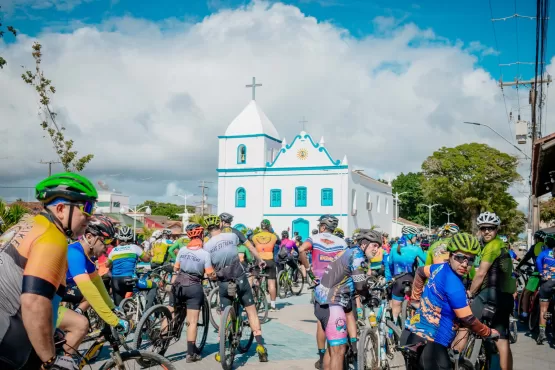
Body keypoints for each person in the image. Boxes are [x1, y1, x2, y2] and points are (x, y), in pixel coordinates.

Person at [0, 172, 98, 370]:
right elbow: (34, 302)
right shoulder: (52, 237)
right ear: (61, 209)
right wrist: (49, 360)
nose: (90, 216)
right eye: (86, 208)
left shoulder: (25, 224)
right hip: (10, 342)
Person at [404, 233, 499, 370]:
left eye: (471, 260)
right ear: (450, 256)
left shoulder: (438, 268)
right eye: (460, 258)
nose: (465, 264)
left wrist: (415, 299)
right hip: (434, 346)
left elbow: (419, 272)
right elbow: (468, 319)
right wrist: (488, 332)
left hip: (412, 334)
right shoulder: (454, 284)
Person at [202, 215, 268, 362]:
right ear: (220, 225)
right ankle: (260, 346)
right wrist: (260, 260)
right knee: (251, 311)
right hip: (240, 278)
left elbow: (209, 269)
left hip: (223, 282)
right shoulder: (232, 236)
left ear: (208, 229)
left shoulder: (206, 246)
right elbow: (250, 247)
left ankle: (222, 349)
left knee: (224, 313)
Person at [314, 229, 382, 370]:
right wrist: (369, 295)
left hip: (323, 302)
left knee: (333, 350)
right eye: (374, 245)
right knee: (339, 351)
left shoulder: (348, 251)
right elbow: (360, 285)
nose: (376, 249)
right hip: (333, 303)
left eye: (378, 246)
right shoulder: (357, 256)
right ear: (364, 243)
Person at [61, 216, 129, 355]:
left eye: (111, 242)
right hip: (41, 301)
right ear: (90, 237)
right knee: (81, 325)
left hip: (56, 294)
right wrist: (113, 320)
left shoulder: (89, 257)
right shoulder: (74, 253)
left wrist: (112, 308)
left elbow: (97, 283)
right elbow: (89, 290)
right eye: (105, 241)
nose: (108, 247)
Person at [298, 215, 350, 370]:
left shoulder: (314, 239)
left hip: (319, 285)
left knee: (321, 322)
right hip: (337, 286)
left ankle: (322, 355)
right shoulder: (342, 243)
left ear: (322, 226)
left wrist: (308, 269)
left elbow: (301, 250)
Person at [466, 212, 514, 370]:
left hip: (489, 295)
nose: (487, 231)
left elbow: (480, 274)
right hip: (504, 298)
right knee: (502, 340)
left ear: (497, 229)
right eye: (483, 228)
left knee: (463, 324)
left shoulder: (492, 247)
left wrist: (470, 293)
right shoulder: (500, 245)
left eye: (491, 228)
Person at [173, 223, 215, 362]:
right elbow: (210, 274)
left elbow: (176, 269)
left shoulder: (182, 250)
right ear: (201, 236)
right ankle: (191, 354)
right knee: (192, 321)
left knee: (171, 312)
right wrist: (216, 275)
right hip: (194, 287)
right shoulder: (205, 254)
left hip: (178, 284)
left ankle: (160, 340)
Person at [386, 225, 427, 325]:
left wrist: (389, 278)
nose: (416, 238)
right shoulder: (416, 249)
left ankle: (392, 334)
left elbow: (389, 265)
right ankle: (413, 326)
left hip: (397, 280)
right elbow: (427, 262)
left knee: (395, 308)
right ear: (410, 236)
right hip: (411, 279)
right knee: (417, 305)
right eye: (415, 236)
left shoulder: (394, 247)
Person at [108, 226, 154, 308]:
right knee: (153, 285)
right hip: (130, 280)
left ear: (118, 239)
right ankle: (147, 313)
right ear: (132, 238)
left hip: (115, 281)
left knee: (119, 309)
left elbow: (107, 265)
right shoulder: (135, 248)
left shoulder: (113, 250)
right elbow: (147, 259)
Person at [516, 230, 546, 319]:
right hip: (551, 275)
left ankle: (525, 313)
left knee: (527, 293)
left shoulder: (535, 247)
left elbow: (525, 258)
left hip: (538, 274)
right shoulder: (549, 248)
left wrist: (518, 267)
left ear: (536, 239)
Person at [252, 219, 280, 311]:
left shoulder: (254, 237)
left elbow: (251, 247)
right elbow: (279, 242)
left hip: (259, 260)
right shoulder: (273, 236)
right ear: (269, 227)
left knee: (256, 281)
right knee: (271, 283)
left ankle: (255, 301)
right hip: (270, 260)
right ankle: (273, 305)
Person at [534, 233, 555, 344]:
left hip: (547, 283)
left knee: (544, 309)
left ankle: (542, 334)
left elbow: (538, 262)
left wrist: (542, 272)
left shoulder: (543, 253)